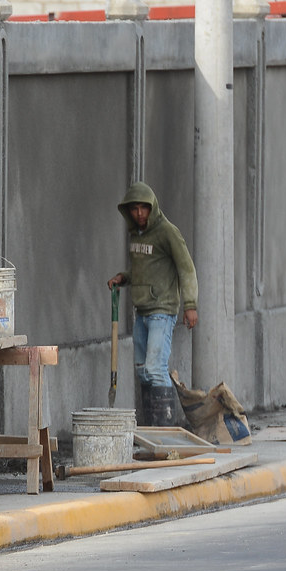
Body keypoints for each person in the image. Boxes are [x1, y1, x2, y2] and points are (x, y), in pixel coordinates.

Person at [107, 181, 198, 427]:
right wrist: (123, 278)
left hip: (162, 311)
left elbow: (186, 268)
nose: (139, 214)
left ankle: (164, 432)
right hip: (142, 312)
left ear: (152, 208)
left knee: (156, 369)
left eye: (143, 208)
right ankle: (150, 432)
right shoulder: (136, 235)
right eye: (134, 209)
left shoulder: (167, 232)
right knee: (142, 372)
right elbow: (142, 270)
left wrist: (190, 304)